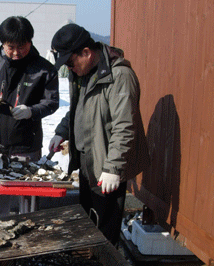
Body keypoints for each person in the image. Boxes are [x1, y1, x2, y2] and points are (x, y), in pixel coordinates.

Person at [49, 23, 150, 246]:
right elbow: (79, 108)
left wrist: (113, 168)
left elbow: (125, 126)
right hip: (87, 158)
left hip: (106, 161)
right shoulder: (82, 73)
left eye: (70, 62)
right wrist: (62, 132)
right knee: (89, 219)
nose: (69, 68)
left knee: (105, 225)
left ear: (86, 53)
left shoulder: (119, 76)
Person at [0, 16, 59, 218]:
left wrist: (32, 111)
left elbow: (52, 102)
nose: (15, 52)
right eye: (10, 47)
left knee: (28, 202)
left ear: (30, 41)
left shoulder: (44, 69)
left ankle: (29, 240)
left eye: (21, 46)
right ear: (2, 43)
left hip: (27, 144)